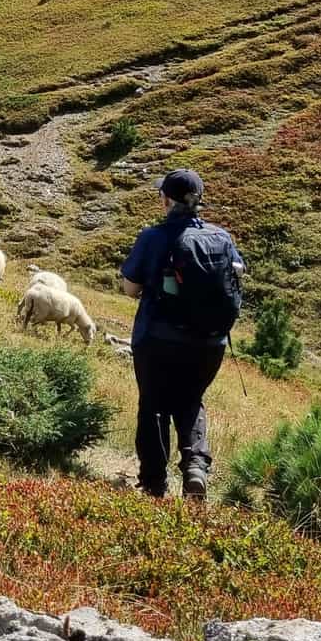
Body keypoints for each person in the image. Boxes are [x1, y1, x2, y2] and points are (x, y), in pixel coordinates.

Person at [119, 169, 245, 501]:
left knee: (154, 405)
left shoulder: (153, 237)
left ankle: (154, 485)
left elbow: (130, 288)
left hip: (158, 338)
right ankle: (195, 469)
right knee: (191, 401)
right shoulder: (222, 238)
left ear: (166, 199)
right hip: (209, 342)